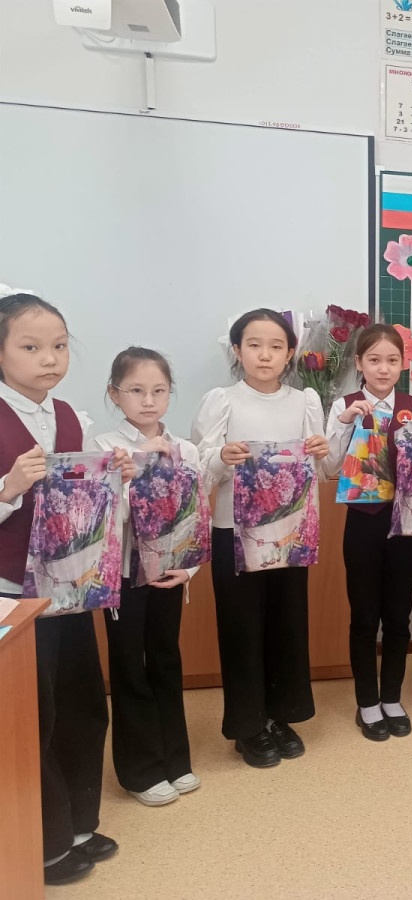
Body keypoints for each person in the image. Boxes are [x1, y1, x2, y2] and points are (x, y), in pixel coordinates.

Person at [0, 291, 126, 885]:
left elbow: (90, 496)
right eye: (30, 347)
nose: (49, 359)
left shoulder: (73, 417)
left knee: (81, 701)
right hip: (15, 594)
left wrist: (118, 474)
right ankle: (43, 843)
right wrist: (8, 487)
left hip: (73, 585)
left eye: (58, 346)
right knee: (34, 714)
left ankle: (77, 823)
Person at [192, 308, 328, 766]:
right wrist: (221, 458)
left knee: (286, 627)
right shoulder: (223, 401)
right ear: (237, 350)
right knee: (242, 630)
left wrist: (320, 451)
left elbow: (320, 470)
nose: (265, 355)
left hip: (290, 533)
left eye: (275, 346)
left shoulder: (305, 401)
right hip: (235, 533)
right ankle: (248, 726)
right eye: (254, 345)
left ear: (290, 354)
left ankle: (280, 715)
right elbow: (199, 469)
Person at [89, 348, 201, 805]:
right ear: (115, 394)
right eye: (136, 390)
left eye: (159, 390)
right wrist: (136, 470)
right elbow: (102, 520)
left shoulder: (186, 449)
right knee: (129, 666)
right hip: (123, 575)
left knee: (166, 658)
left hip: (168, 572)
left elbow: (193, 515)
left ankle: (176, 759)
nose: (148, 400)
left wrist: (188, 569)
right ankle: (140, 771)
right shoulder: (104, 448)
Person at [326, 324, 412, 739]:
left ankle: (392, 697)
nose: (383, 369)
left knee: (399, 617)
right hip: (363, 523)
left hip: (405, 525)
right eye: (374, 360)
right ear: (359, 363)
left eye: (392, 360)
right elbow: (329, 467)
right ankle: (367, 702)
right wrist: (345, 423)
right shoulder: (344, 405)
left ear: (403, 364)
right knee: (365, 616)